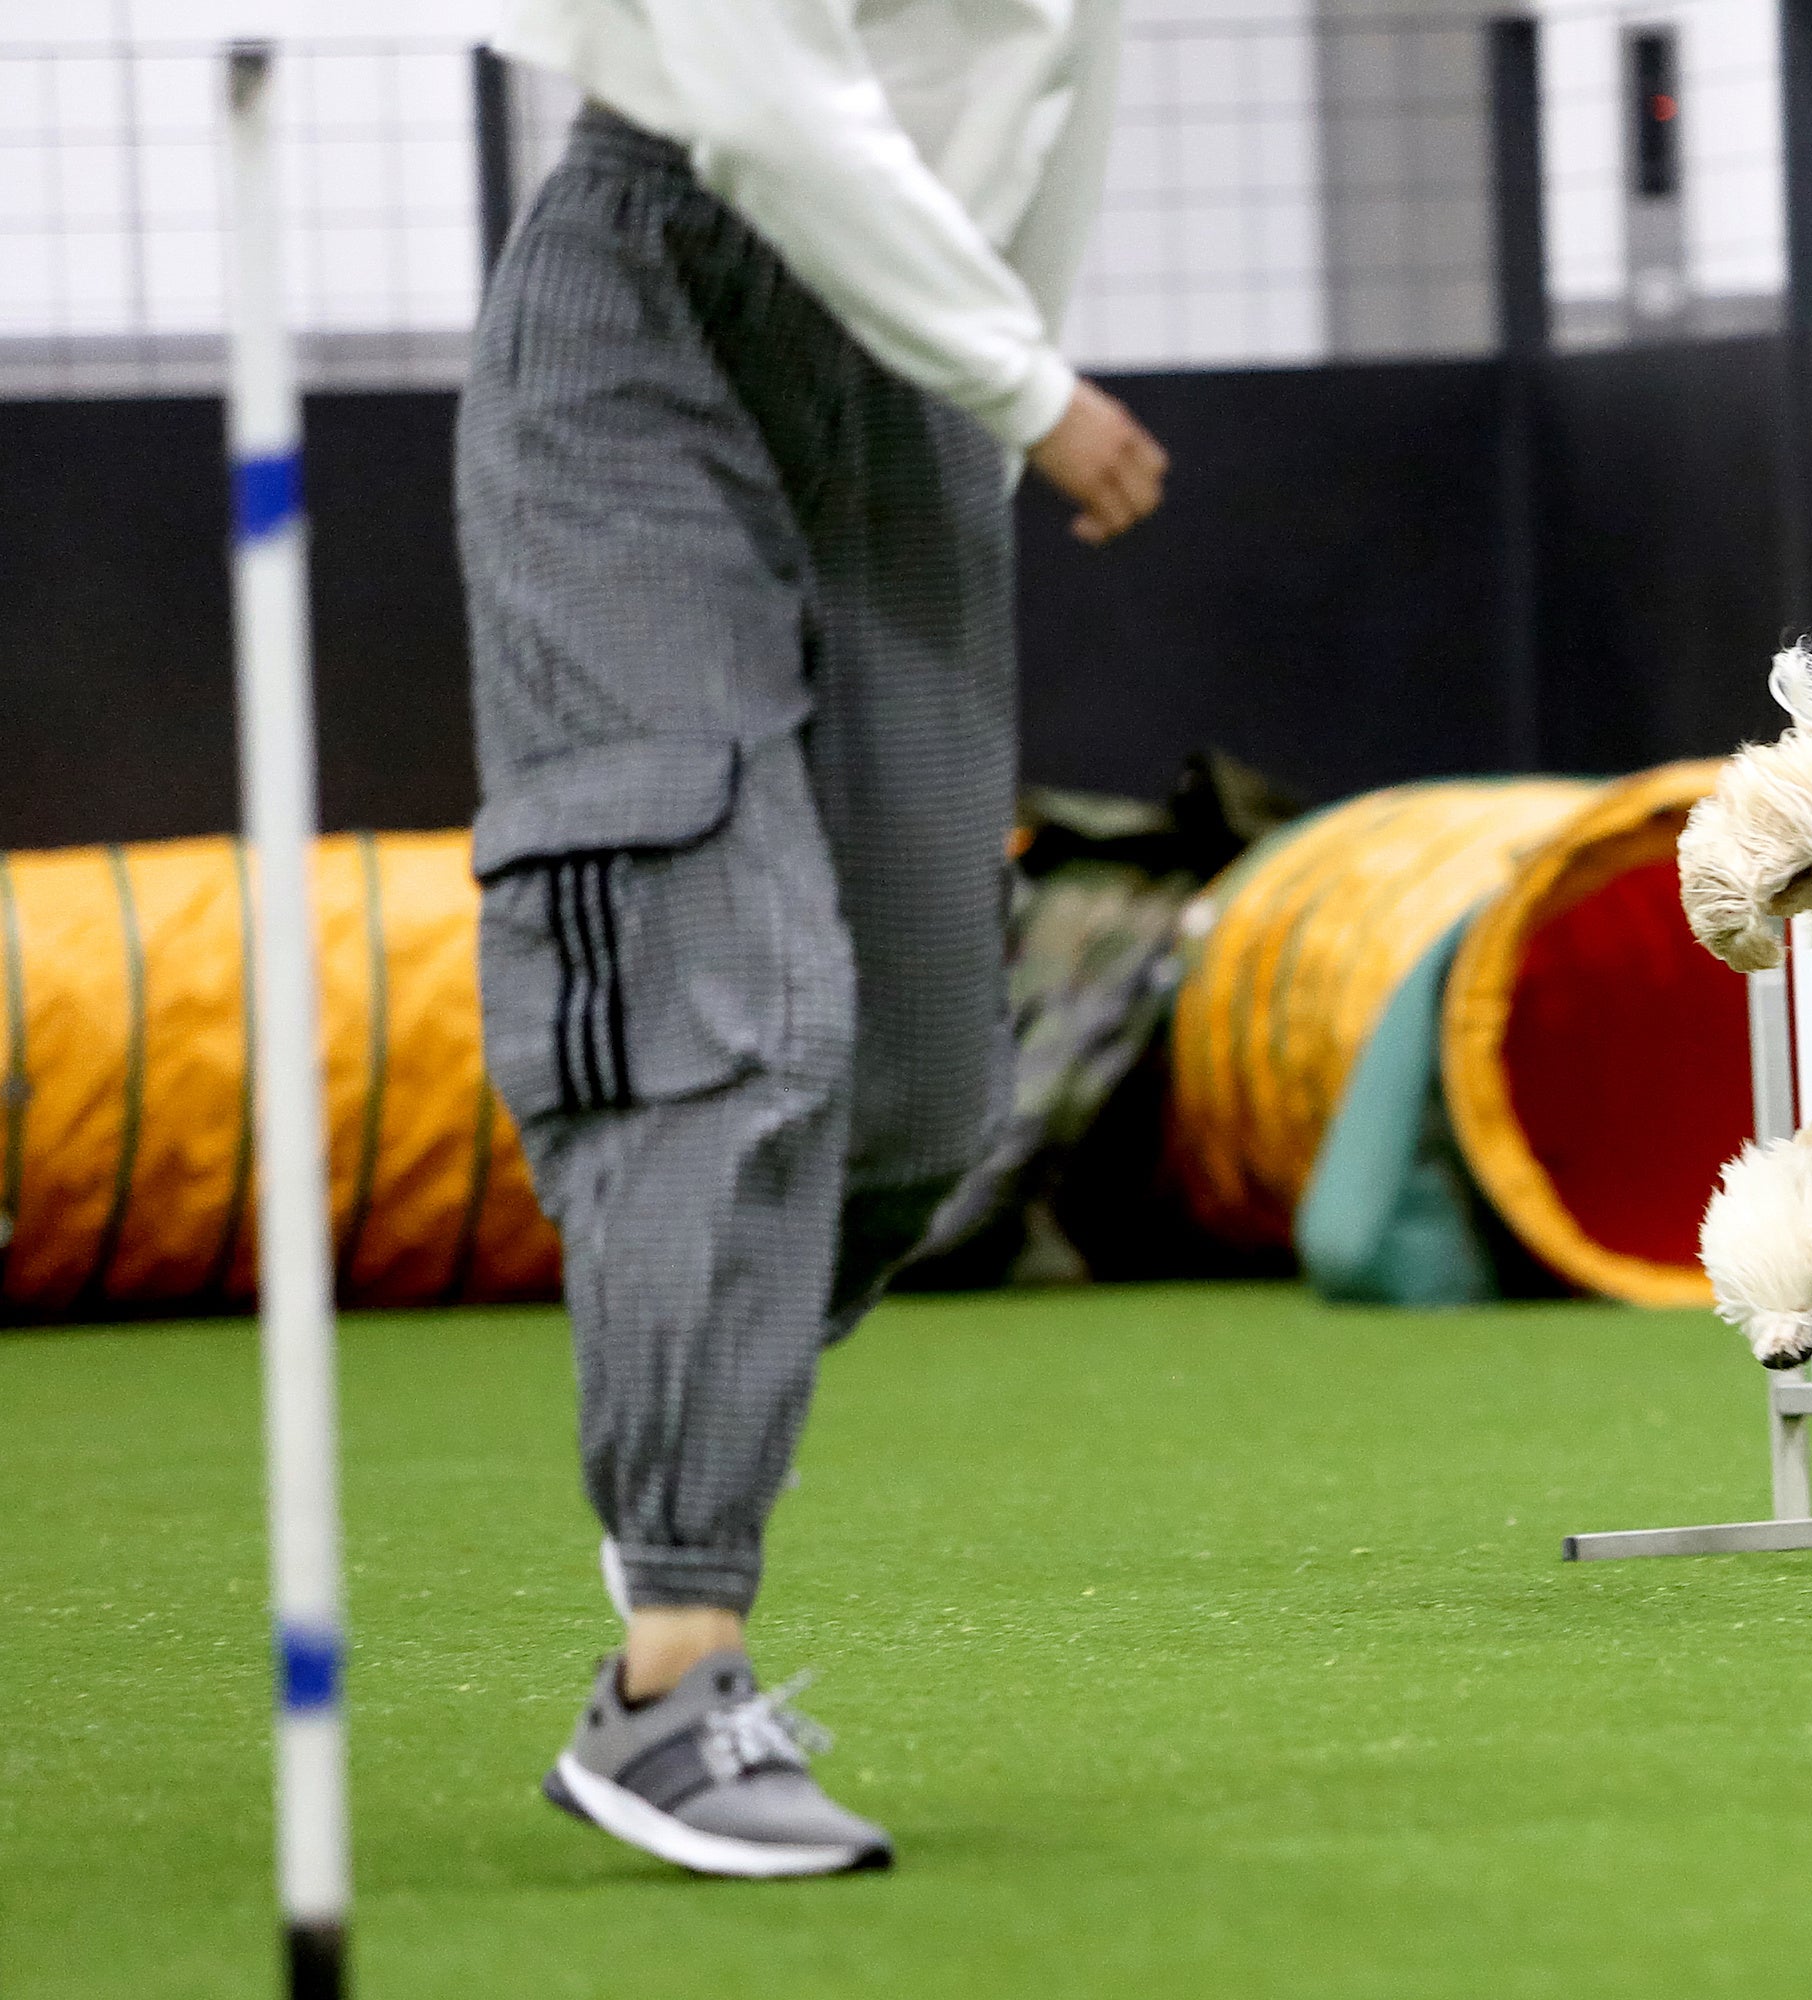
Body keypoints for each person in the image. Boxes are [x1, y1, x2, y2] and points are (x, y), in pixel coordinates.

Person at [456, 0, 1166, 1878]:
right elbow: (762, 102)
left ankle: (702, 1367)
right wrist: (1029, 384)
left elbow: (1049, 112)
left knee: (931, 1080)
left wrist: (982, 394)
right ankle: (670, 1680)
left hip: (918, 378)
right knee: (736, 1001)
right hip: (659, 313)